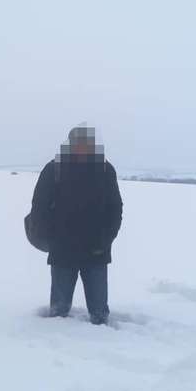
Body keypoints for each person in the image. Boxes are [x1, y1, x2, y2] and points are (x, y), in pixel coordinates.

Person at [30, 125, 123, 325]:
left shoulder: (105, 170)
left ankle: (103, 349)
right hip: (62, 251)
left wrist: (105, 239)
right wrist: (50, 237)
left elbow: (115, 209)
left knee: (99, 315)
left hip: (97, 251)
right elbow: (39, 206)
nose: (83, 147)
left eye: (86, 143)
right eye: (78, 143)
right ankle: (56, 350)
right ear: (70, 144)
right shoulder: (54, 168)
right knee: (58, 314)